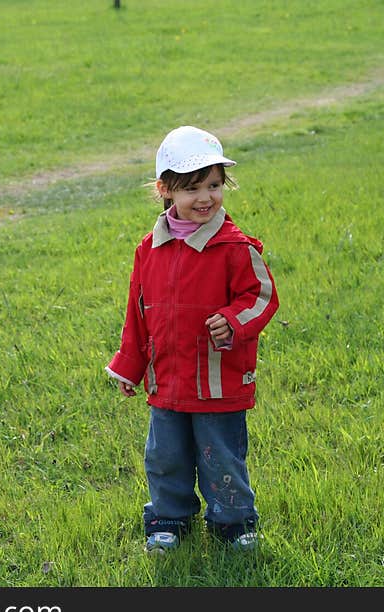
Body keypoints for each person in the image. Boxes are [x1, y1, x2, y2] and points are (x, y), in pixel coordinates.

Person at [105, 125, 280, 553]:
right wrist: (130, 363)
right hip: (166, 382)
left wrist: (234, 321)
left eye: (215, 185)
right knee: (165, 458)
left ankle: (233, 523)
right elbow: (138, 311)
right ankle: (168, 518)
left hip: (217, 382)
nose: (206, 198)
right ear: (165, 189)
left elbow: (261, 296)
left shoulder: (235, 248)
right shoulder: (150, 248)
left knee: (221, 458)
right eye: (193, 188)